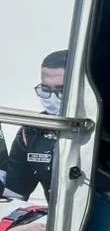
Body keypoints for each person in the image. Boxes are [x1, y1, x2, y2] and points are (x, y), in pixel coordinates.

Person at [3, 50, 68, 203]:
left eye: (61, 90)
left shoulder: (105, 129)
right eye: (46, 90)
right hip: (60, 223)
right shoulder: (31, 131)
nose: (52, 98)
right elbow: (13, 195)